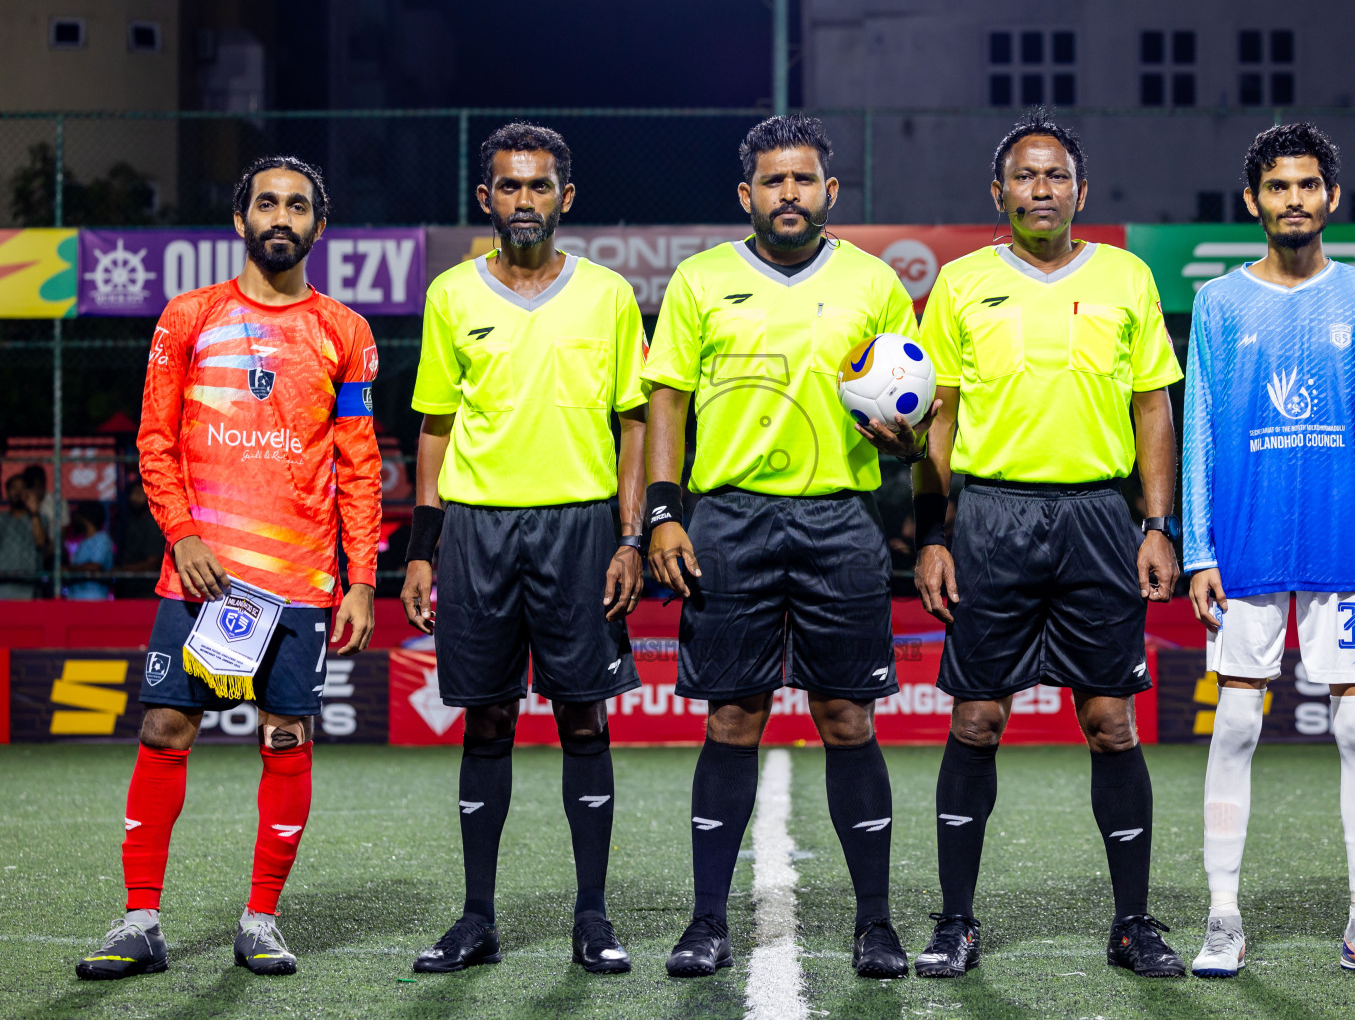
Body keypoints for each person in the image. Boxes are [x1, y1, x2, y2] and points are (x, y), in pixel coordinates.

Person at [877, 110, 1187, 979]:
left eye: (1056, 176)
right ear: (998, 191)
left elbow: (1153, 406)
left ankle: (1133, 923)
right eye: (1025, 176)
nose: (1041, 189)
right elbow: (936, 417)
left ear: (1080, 191)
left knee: (1109, 722)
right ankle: (957, 924)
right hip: (991, 520)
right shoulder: (963, 283)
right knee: (976, 719)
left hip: (1097, 518)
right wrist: (932, 535)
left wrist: (1157, 525)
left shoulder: (1127, 278)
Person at [76, 156, 381, 980]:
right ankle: (141, 920)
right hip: (201, 576)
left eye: (298, 206)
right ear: (238, 217)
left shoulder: (346, 333)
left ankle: (262, 921)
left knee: (286, 738)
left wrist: (360, 579)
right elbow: (153, 439)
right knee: (164, 730)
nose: (281, 217)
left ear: (320, 224)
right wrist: (182, 534)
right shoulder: (188, 317)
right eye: (266, 202)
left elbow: (357, 462)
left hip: (302, 579)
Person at [645, 114, 917, 979]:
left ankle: (874, 923)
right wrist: (661, 512)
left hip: (842, 520)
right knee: (734, 715)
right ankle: (707, 922)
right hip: (728, 520)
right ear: (746, 195)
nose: (788, 194)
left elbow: (912, 416)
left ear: (830, 193)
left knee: (847, 717)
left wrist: (903, 437)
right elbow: (667, 405)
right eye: (773, 181)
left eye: (803, 180)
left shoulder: (876, 285)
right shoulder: (699, 281)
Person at [402, 123, 647, 976]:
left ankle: (592, 916)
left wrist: (630, 535)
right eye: (508, 187)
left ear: (565, 198)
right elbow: (433, 425)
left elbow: (635, 423)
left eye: (539, 186)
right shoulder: (452, 295)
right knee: (488, 718)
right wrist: (422, 549)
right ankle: (477, 918)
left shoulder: (610, 296)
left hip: (580, 529)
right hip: (477, 530)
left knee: (585, 716)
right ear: (486, 199)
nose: (524, 201)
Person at [1183, 123, 1355, 980]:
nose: (1293, 199)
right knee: (1238, 722)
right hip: (1245, 541)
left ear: (1331, 197)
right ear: (1253, 201)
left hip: (1345, 539)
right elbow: (1200, 433)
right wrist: (1197, 548)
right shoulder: (1218, 304)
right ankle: (1222, 919)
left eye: (1307, 185)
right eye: (1277, 186)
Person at [116, 478, 166, 598]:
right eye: (132, 494)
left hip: (147, 588)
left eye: (138, 494)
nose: (133, 498)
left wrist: (123, 570)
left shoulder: (154, 523)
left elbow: (153, 561)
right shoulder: (132, 520)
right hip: (131, 587)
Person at [0, 474, 47, 599]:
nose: (18, 492)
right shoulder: (1, 519)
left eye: (22, 488)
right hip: (3, 585)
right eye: (14, 488)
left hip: (29, 586)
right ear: (7, 492)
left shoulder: (40, 519)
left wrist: (34, 513)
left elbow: (41, 543)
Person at [64, 501, 114, 600]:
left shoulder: (102, 539)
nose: (74, 519)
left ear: (85, 518)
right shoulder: (83, 542)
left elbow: (95, 566)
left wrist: (68, 569)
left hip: (93, 599)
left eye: (77, 515)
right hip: (74, 598)